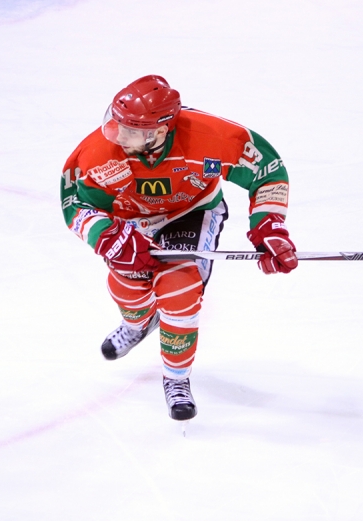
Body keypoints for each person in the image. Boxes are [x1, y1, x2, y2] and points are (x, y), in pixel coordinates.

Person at [60, 75, 298, 421]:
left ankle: (176, 379)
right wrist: (106, 235)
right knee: (129, 289)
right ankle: (139, 322)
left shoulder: (210, 137)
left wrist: (269, 224)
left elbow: (267, 171)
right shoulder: (98, 152)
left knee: (179, 288)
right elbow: (74, 201)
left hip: (190, 213)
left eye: (132, 130)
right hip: (127, 222)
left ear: (161, 130)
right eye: (116, 123)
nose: (118, 136)